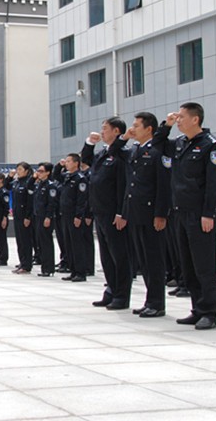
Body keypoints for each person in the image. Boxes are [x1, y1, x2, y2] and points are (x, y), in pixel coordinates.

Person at [154, 103, 216, 330]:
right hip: (180, 212)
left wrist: (208, 213)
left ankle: (209, 312)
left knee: (203, 265)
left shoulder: (210, 145)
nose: (179, 120)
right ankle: (197, 308)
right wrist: (166, 125)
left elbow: (214, 183)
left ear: (195, 119)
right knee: (188, 265)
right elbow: (158, 144)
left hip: (199, 213)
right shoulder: (180, 143)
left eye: (182, 117)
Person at [111, 112, 171, 317]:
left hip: (150, 212)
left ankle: (157, 303)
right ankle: (150, 300)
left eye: (137, 125)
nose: (133, 128)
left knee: (154, 260)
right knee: (144, 260)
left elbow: (163, 185)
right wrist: (125, 137)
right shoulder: (135, 150)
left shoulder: (158, 151)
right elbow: (114, 150)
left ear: (149, 129)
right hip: (135, 211)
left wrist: (161, 214)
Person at [82, 118, 131, 310]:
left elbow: (123, 186)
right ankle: (111, 290)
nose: (102, 132)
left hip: (114, 213)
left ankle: (121, 295)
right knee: (106, 256)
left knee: (119, 256)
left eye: (105, 129)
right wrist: (89, 143)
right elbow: (87, 160)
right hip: (100, 211)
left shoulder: (122, 154)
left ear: (116, 131)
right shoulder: (104, 153)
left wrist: (121, 212)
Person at [58, 154, 91, 282]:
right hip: (65, 214)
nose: (66, 163)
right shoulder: (67, 176)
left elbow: (82, 200)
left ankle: (80, 272)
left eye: (68, 161)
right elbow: (56, 176)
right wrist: (59, 166)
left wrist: (78, 215)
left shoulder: (80, 179)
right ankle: (72, 270)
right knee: (68, 244)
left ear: (76, 163)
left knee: (77, 244)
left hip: (74, 216)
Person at [32, 162, 57, 277]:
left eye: (41, 171)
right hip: (38, 216)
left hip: (45, 217)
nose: (39, 173)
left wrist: (48, 217)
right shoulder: (39, 184)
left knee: (46, 243)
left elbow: (52, 203)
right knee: (40, 243)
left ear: (48, 172)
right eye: (38, 171)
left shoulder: (50, 186)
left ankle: (48, 268)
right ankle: (44, 267)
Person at [10, 162, 36, 274]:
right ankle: (22, 262)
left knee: (26, 241)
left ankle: (27, 265)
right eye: (17, 169)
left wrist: (28, 216)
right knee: (20, 241)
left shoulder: (28, 183)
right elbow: (7, 186)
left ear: (26, 171)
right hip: (17, 215)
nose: (18, 171)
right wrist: (10, 176)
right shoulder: (16, 182)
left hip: (24, 216)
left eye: (20, 169)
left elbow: (30, 202)